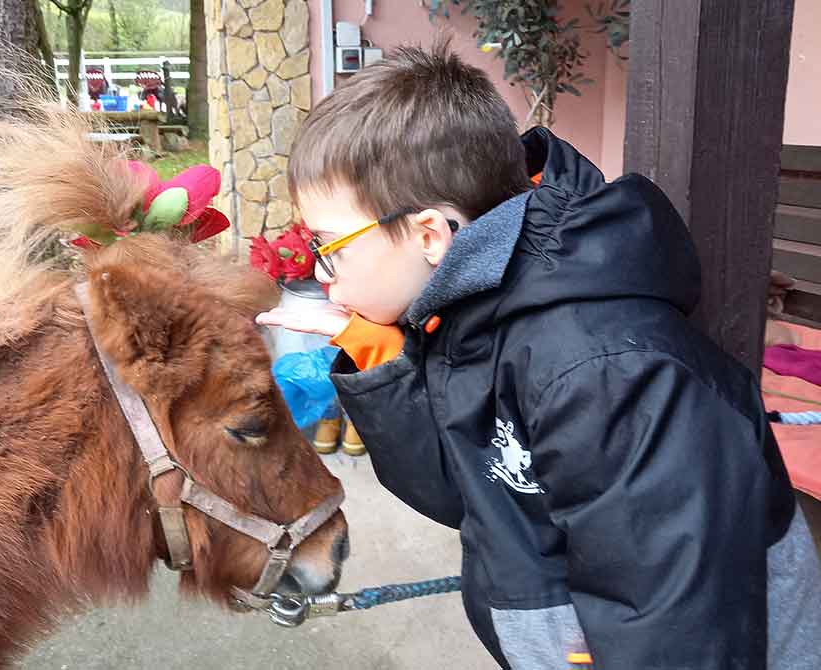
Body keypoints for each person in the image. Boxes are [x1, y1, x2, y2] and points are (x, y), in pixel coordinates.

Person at [256, 37, 821, 669]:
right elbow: (463, 494)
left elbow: (675, 631)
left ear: (428, 234)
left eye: (330, 243)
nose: (319, 268)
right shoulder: (463, 308)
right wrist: (382, 357)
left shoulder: (604, 371)